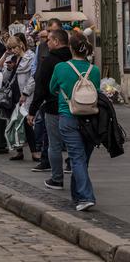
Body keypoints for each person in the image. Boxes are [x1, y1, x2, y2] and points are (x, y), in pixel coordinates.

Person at [49, 32, 101, 211]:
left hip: (68, 115)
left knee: (76, 157)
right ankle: (77, 195)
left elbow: (52, 88)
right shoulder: (94, 70)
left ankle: (86, 197)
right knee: (82, 159)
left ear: (70, 48)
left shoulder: (61, 68)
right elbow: (97, 92)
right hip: (90, 119)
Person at [28, 28, 71, 187]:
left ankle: (57, 178)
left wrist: (32, 110)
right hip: (75, 107)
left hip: (54, 107)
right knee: (74, 143)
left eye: (50, 40)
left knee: (54, 144)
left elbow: (41, 88)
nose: (47, 42)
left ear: (57, 42)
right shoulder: (75, 58)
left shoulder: (49, 61)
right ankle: (77, 174)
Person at [0, 35, 38, 162]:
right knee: (13, 121)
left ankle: (34, 151)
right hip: (12, 93)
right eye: (10, 48)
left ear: (20, 44)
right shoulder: (11, 58)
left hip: (24, 93)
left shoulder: (30, 57)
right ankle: (18, 150)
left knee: (27, 122)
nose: (13, 50)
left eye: (14, 47)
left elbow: (33, 77)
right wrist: (9, 69)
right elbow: (3, 77)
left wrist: (25, 93)